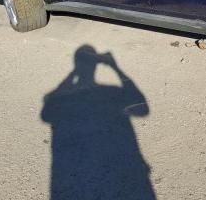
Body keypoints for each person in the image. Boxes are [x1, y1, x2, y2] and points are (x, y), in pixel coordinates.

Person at [41, 45, 154, 199]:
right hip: (119, 171)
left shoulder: (65, 97)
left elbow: (47, 111)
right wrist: (115, 67)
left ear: (77, 65)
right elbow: (142, 108)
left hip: (74, 175)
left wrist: (72, 74)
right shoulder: (110, 92)